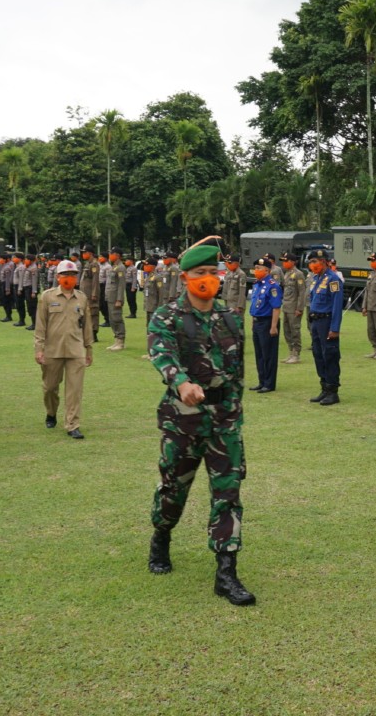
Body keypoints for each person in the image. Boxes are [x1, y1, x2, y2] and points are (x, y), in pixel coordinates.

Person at [145, 242, 254, 606]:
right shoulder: (167, 316)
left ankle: (226, 572)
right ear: (185, 278)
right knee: (174, 490)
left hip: (225, 422)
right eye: (199, 274)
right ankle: (161, 535)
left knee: (228, 493)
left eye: (212, 273)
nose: (208, 279)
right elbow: (161, 353)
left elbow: (237, 372)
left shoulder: (232, 316)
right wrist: (181, 382)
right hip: (183, 422)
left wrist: (236, 413)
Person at [34, 260, 93, 438]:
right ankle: (51, 412)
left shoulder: (82, 298)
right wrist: (39, 348)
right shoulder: (47, 297)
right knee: (50, 387)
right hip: (53, 349)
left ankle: (72, 424)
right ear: (58, 277)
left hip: (76, 350)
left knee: (74, 390)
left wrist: (88, 349)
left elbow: (87, 326)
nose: (69, 278)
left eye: (73, 275)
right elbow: (40, 325)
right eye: (66, 275)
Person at [306, 248, 343, 405]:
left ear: (323, 262)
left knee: (330, 355)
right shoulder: (316, 278)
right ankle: (324, 388)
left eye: (314, 261)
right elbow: (313, 299)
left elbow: (336, 305)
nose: (311, 265)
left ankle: (333, 391)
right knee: (318, 354)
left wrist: (334, 328)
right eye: (310, 262)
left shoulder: (333, 279)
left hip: (327, 322)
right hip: (316, 322)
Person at [249, 257, 281, 393]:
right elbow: (255, 305)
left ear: (267, 270)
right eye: (255, 268)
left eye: (258, 268)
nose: (256, 271)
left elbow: (276, 307)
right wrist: (253, 321)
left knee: (269, 354)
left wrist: (273, 326)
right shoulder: (257, 284)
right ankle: (261, 381)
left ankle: (269, 383)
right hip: (257, 322)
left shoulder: (273, 285)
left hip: (267, 322)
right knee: (259, 354)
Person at [279, 252, 306, 364]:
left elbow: (302, 292)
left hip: (294, 307)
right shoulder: (286, 273)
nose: (284, 263)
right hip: (286, 306)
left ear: (292, 262)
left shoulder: (298, 274)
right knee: (287, 331)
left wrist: (299, 308)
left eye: (286, 261)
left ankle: (296, 354)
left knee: (295, 330)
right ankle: (291, 352)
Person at [105, 248, 127, 351]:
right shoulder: (114, 267)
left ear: (117, 255)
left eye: (112, 254)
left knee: (117, 318)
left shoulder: (121, 268)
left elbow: (121, 285)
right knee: (112, 319)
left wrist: (119, 299)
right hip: (110, 296)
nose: (110, 255)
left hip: (115, 298)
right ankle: (116, 340)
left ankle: (121, 341)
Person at [79, 245, 101, 341]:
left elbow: (95, 280)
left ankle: (94, 333)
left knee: (93, 312)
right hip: (85, 293)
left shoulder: (94, 264)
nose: (83, 254)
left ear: (90, 253)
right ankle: (87, 332)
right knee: (86, 313)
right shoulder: (88, 263)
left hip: (91, 293)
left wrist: (94, 294)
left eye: (85, 252)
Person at [23, 253, 40, 331]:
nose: (25, 261)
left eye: (27, 259)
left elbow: (34, 281)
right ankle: (33, 323)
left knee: (33, 307)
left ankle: (35, 324)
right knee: (29, 306)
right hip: (27, 288)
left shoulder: (33, 268)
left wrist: (34, 291)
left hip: (31, 289)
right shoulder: (29, 267)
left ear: (31, 260)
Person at [11, 252, 27, 326]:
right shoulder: (17, 266)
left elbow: (21, 279)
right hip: (16, 286)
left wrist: (20, 289)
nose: (13, 259)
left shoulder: (21, 267)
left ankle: (22, 320)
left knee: (20, 304)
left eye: (15, 257)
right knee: (18, 304)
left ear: (19, 259)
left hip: (19, 286)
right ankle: (20, 319)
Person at [0, 253, 15, 322]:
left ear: (5, 259)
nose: (0, 260)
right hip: (3, 284)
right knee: (4, 301)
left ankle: (8, 316)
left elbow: (8, 279)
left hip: (6, 284)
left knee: (6, 301)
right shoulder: (4, 266)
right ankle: (7, 315)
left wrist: (7, 289)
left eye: (1, 259)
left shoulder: (7, 267)